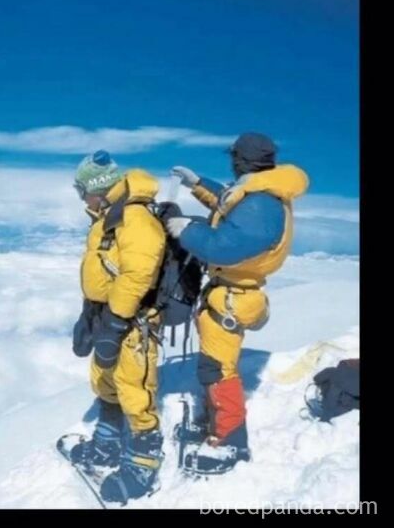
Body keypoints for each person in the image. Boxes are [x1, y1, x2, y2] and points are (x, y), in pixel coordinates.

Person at [165, 133, 309, 474]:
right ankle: (217, 421)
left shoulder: (262, 204)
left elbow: (225, 245)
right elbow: (228, 203)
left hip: (233, 296)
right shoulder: (259, 191)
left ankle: (230, 440)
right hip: (232, 292)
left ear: (240, 160)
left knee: (219, 370)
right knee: (215, 366)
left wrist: (186, 230)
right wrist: (198, 184)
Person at [70, 150, 166, 502]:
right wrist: (89, 313)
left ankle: (144, 461)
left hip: (133, 321)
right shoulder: (107, 216)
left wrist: (114, 322)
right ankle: (108, 443)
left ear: (97, 188)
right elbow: (103, 269)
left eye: (82, 190)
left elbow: (138, 274)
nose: (81, 198)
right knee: (105, 380)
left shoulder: (134, 218)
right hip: (106, 315)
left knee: (134, 387)